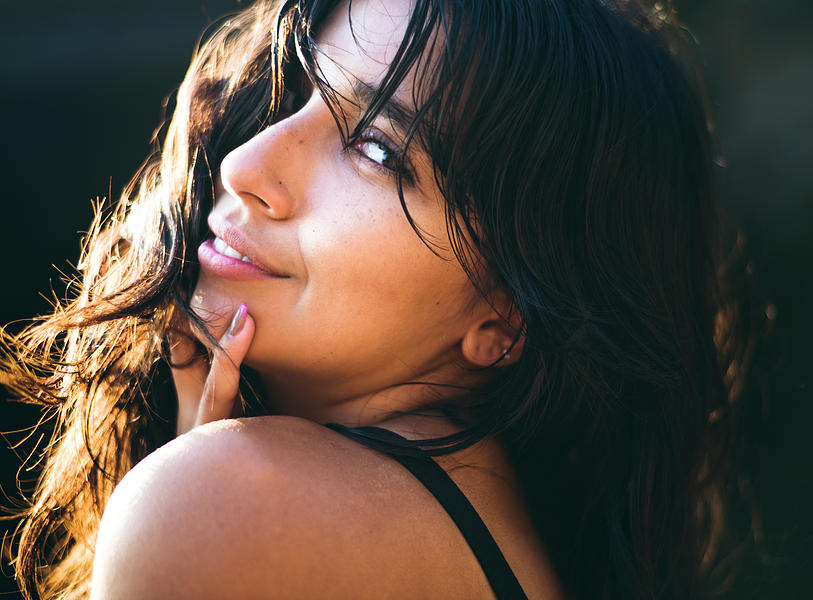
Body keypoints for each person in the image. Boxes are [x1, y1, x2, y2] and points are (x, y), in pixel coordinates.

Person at [1, 0, 758, 598]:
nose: (245, 164)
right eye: (292, 93)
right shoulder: (499, 545)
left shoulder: (228, 506)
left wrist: (202, 493)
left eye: (378, 149)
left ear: (505, 316)